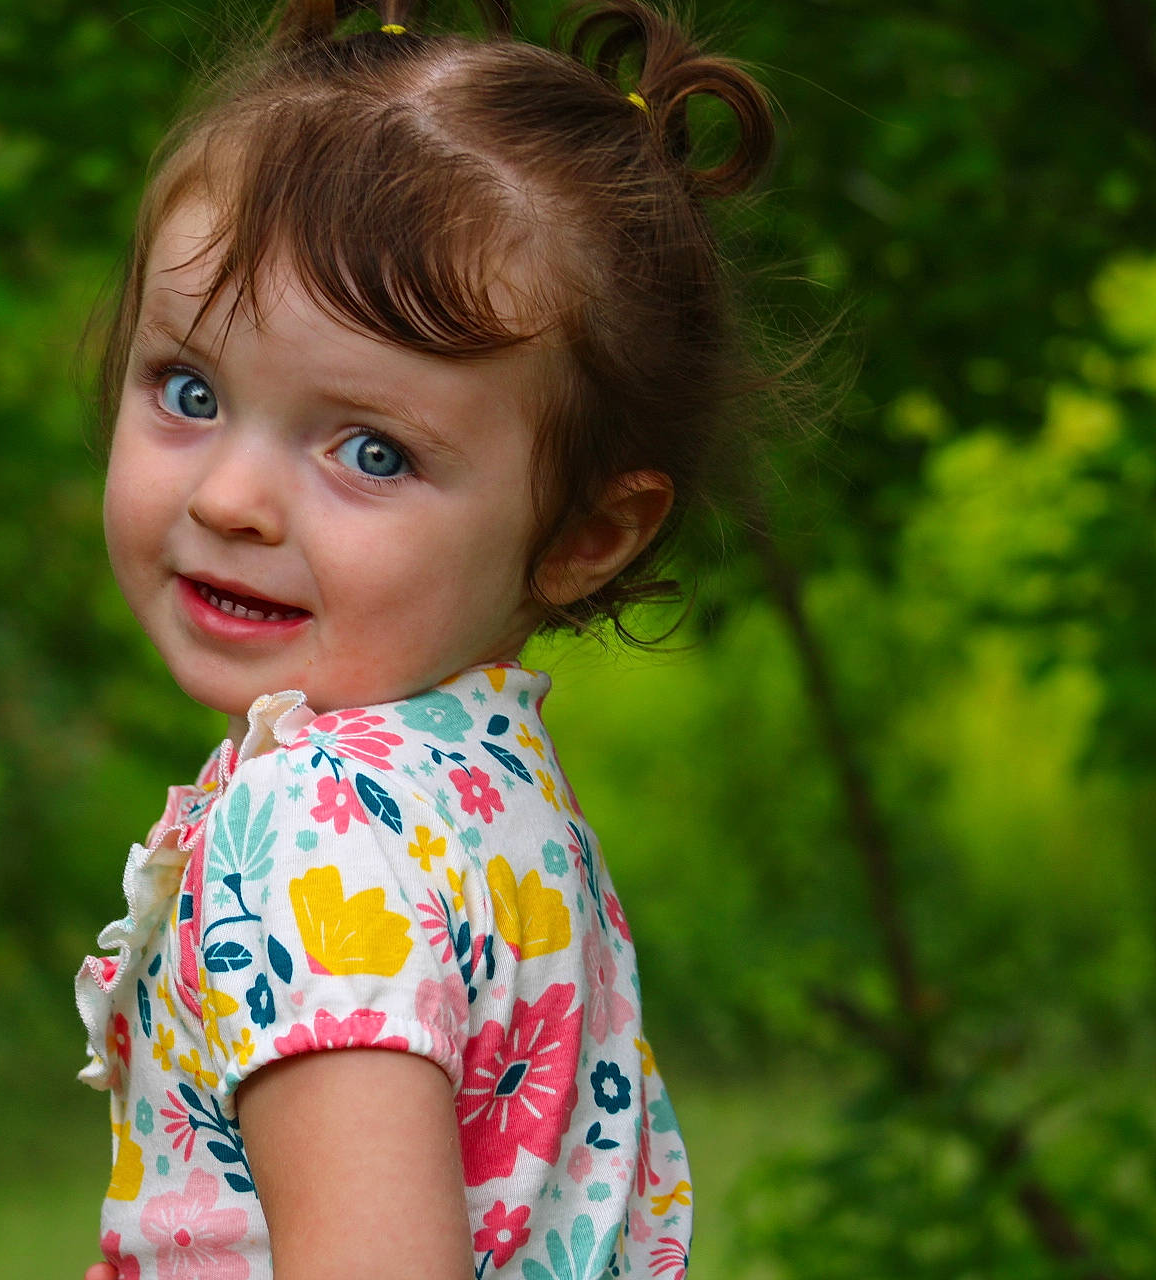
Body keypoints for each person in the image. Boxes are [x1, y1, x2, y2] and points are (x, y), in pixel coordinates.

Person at [75, 2, 776, 1276]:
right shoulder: (491, 790)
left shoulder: (312, 834)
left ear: (586, 534)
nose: (230, 497)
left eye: (371, 451)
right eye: (189, 390)